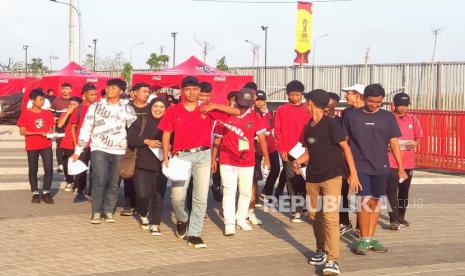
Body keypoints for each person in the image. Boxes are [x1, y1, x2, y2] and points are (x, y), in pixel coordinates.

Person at [159, 76, 239, 249]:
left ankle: (194, 233)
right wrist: (166, 156)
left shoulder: (206, 109)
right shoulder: (174, 110)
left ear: (199, 91)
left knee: (200, 197)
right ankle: (182, 219)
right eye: (188, 89)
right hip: (181, 157)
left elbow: (236, 112)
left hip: (203, 155)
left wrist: (215, 105)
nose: (192, 93)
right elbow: (166, 133)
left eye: (195, 89)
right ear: (181, 91)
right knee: (177, 196)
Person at [294, 89, 361, 276]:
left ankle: (333, 261)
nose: (306, 105)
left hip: (332, 177)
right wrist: (298, 161)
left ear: (311, 103)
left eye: (307, 102)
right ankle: (321, 250)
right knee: (315, 216)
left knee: (330, 218)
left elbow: (345, 148)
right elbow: (309, 153)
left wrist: (353, 174)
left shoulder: (332, 125)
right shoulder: (308, 126)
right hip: (313, 178)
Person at [344, 84, 407, 255]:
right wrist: (350, 171)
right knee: (364, 202)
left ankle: (370, 238)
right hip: (360, 167)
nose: (375, 105)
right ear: (364, 98)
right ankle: (363, 239)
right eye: (371, 101)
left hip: (381, 166)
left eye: (378, 102)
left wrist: (401, 167)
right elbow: (345, 143)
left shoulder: (387, 117)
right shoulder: (351, 116)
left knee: (375, 202)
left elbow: (393, 142)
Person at [71, 79, 137, 224]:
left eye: (113, 88)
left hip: (119, 149)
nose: (109, 90)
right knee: (99, 178)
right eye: (108, 87)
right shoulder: (95, 106)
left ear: (121, 91)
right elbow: (86, 128)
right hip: (99, 147)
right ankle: (96, 211)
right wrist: (78, 150)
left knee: (114, 181)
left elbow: (133, 130)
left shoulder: (127, 108)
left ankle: (108, 211)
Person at [211, 88, 271, 236]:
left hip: (247, 160)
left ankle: (241, 219)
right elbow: (217, 139)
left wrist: (267, 158)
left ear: (252, 103)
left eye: (246, 104)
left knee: (245, 192)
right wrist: (213, 159)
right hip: (227, 160)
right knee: (229, 191)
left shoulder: (256, 117)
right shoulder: (224, 116)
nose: (243, 107)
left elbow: (262, 140)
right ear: (236, 100)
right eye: (241, 103)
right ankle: (229, 223)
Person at [128, 98, 169, 236]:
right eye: (155, 106)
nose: (158, 109)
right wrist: (146, 141)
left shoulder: (169, 123)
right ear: (150, 107)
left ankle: (155, 223)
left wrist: (170, 146)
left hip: (162, 164)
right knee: (142, 193)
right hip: (142, 164)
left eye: (162, 107)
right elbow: (131, 138)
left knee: (158, 195)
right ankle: (143, 213)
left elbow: (178, 140)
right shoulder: (141, 121)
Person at [274, 80, 311, 223]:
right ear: (287, 94)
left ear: (302, 94)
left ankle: (306, 204)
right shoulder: (281, 110)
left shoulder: (308, 108)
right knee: (291, 179)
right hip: (288, 151)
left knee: (307, 179)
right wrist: (281, 149)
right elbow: (278, 131)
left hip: (306, 151)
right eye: (292, 95)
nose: (294, 97)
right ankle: (295, 209)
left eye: (297, 94)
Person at [386, 93, 422, 230]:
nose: (403, 108)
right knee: (391, 191)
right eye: (400, 105)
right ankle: (393, 219)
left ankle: (401, 216)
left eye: (405, 105)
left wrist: (414, 143)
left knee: (404, 192)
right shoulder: (387, 118)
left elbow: (418, 137)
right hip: (391, 161)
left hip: (408, 161)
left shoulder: (412, 119)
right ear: (394, 104)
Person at [17, 89, 55, 204]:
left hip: (46, 145)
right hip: (32, 146)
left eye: (44, 99)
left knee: (49, 169)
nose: (42, 102)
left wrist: (51, 132)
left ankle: (46, 192)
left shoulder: (47, 113)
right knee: (33, 169)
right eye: (40, 99)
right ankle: (35, 193)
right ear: (33, 100)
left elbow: (51, 128)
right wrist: (38, 133)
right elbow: (22, 131)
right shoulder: (26, 113)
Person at [120, 82, 151, 217]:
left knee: (145, 177)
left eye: (148, 92)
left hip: (148, 147)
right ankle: (129, 204)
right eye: (144, 91)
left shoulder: (152, 108)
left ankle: (143, 205)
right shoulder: (126, 108)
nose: (147, 94)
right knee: (129, 175)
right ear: (134, 93)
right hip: (130, 146)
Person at [339, 84, 365, 235]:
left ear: (358, 95)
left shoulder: (367, 112)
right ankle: (344, 221)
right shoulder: (347, 112)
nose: (345, 96)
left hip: (363, 159)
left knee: (362, 193)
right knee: (342, 189)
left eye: (348, 93)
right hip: (346, 157)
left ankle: (362, 226)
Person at [69, 83, 99, 201]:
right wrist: (76, 143)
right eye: (92, 95)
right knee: (81, 168)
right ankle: (80, 189)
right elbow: (73, 127)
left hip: (96, 143)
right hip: (83, 144)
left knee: (95, 169)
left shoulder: (98, 108)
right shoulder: (79, 109)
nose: (94, 97)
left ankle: (92, 191)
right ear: (84, 95)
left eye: (96, 94)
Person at [255, 91, 280, 209]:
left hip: (270, 146)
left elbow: (274, 128)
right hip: (256, 147)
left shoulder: (270, 113)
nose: (259, 102)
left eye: (261, 99)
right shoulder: (252, 113)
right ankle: (253, 196)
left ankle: (266, 191)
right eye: (257, 100)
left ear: (265, 100)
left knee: (275, 169)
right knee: (255, 174)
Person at [57, 96, 82, 192]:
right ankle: (69, 180)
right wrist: (68, 113)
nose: (71, 106)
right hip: (67, 142)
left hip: (79, 142)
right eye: (70, 104)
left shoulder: (82, 114)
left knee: (78, 164)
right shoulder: (65, 114)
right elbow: (59, 125)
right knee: (67, 163)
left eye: (74, 105)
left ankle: (78, 184)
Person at [51, 83, 73, 173]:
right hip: (59, 127)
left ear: (71, 90)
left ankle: (70, 163)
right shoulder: (56, 101)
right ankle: (60, 164)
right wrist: (54, 122)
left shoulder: (73, 101)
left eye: (67, 89)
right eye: (63, 88)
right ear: (61, 90)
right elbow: (50, 115)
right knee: (59, 145)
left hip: (71, 128)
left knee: (71, 146)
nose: (65, 90)